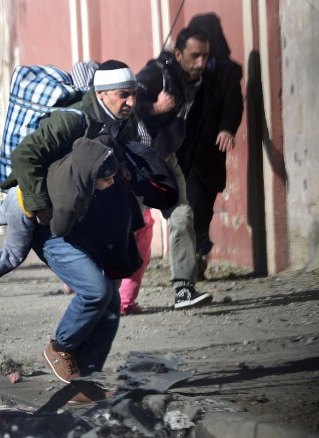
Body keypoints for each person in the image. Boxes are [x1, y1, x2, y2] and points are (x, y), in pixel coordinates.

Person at [0, 60, 145, 404]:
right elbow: (25, 155)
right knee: (94, 290)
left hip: (86, 222)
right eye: (124, 95)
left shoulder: (125, 123)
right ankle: (59, 348)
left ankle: (84, 382)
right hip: (48, 223)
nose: (131, 103)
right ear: (103, 93)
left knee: (110, 300)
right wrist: (39, 206)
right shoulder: (73, 119)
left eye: (134, 96)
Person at [0, 136, 119, 307]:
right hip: (25, 213)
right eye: (106, 179)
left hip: (20, 192)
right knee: (13, 256)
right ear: (91, 176)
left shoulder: (70, 162)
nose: (111, 182)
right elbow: (60, 229)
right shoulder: (71, 196)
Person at [132, 26, 214, 309]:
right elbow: (127, 102)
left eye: (204, 56)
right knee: (125, 224)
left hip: (166, 160)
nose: (200, 63)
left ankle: (183, 289)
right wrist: (153, 108)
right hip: (137, 163)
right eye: (194, 56)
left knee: (181, 216)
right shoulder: (155, 74)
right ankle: (100, 294)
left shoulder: (195, 78)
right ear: (178, 54)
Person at [180, 13, 244, 280]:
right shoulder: (182, 69)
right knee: (191, 202)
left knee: (205, 202)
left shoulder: (228, 70)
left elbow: (233, 102)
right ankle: (195, 253)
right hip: (185, 148)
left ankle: (199, 258)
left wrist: (227, 128)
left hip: (211, 149)